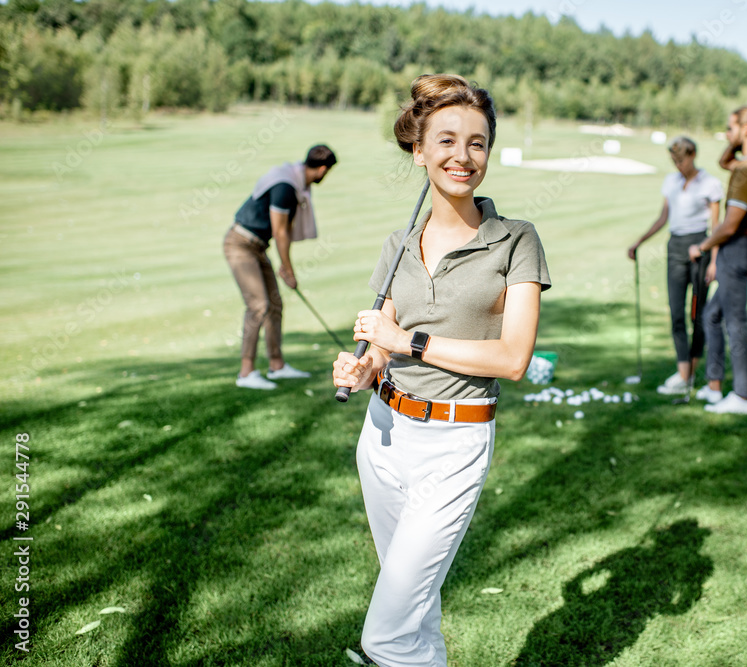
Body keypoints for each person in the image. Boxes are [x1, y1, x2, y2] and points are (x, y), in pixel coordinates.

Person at [333, 74, 550, 666]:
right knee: (415, 609)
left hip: (455, 443)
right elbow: (381, 345)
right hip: (382, 436)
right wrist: (363, 366)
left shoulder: (516, 242)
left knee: (386, 635)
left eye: (477, 143)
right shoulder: (398, 242)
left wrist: (409, 341)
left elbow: (513, 359)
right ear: (419, 149)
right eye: (447, 141)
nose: (463, 156)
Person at [687, 106, 747, 415]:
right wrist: (739, 139)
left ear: (745, 130)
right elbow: (724, 161)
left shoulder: (746, 171)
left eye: (731, 128)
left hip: (734, 250)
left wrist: (703, 246)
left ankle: (743, 396)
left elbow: (729, 224)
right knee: (712, 316)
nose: (727, 134)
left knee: (735, 323)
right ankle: (715, 386)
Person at [223, 144, 337, 390]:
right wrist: (288, 270)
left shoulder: (295, 181)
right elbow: (281, 231)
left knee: (274, 303)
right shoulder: (286, 187)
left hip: (257, 246)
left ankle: (276, 365)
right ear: (323, 169)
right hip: (240, 244)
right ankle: (246, 373)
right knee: (258, 306)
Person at [627, 137, 723, 397]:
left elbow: (716, 228)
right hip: (676, 248)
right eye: (675, 161)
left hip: (699, 250)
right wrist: (640, 241)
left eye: (682, 160)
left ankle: (691, 372)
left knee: (698, 315)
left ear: (693, 155)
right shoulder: (671, 182)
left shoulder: (710, 184)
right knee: (676, 314)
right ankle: (683, 373)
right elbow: (663, 218)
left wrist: (714, 260)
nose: (679, 165)